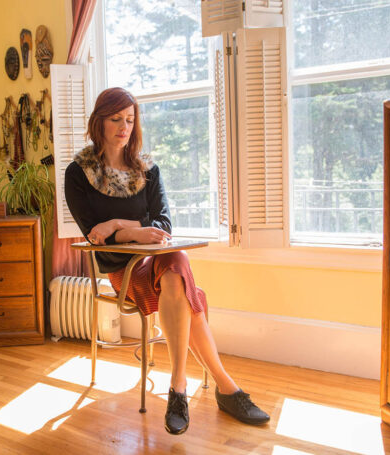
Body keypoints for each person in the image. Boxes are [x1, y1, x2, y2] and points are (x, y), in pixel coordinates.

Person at [64, 87, 269, 435]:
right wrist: (131, 232)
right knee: (188, 291)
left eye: (130, 120)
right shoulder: (78, 173)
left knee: (176, 257)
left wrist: (118, 225)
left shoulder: (148, 169)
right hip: (122, 271)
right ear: (99, 121)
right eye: (116, 119)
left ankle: (178, 387)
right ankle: (227, 389)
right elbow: (93, 235)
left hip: (158, 265)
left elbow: (164, 227)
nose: (124, 127)